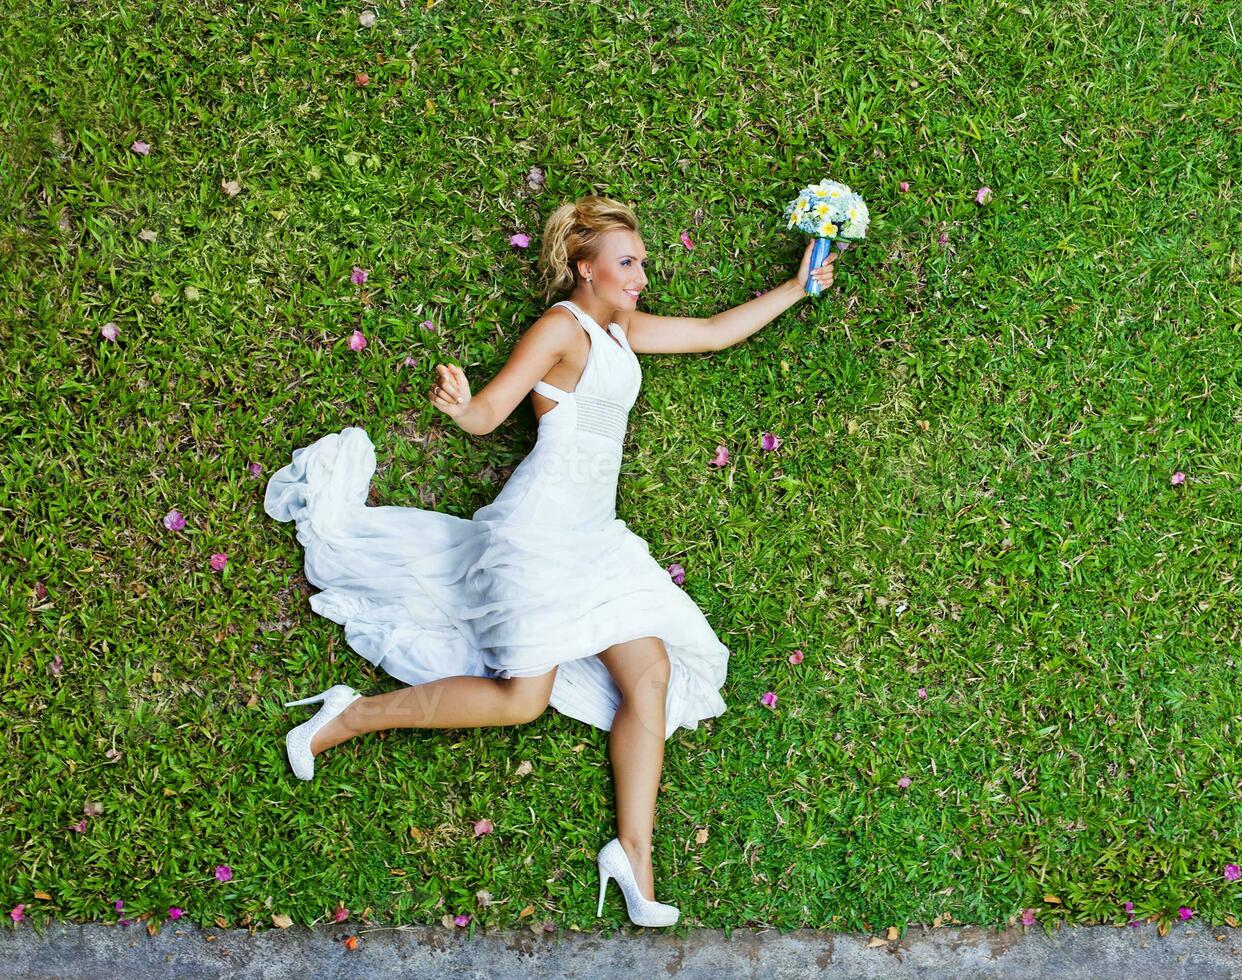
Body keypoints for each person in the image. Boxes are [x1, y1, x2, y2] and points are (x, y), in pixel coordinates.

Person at [263, 194, 840, 927]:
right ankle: (347, 716)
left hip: (594, 537)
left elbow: (712, 334)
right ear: (584, 267)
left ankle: (633, 857)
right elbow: (487, 416)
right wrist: (459, 405)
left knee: (651, 673)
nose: (640, 275)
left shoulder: (619, 330)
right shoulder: (560, 330)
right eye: (627, 263)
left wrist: (797, 286)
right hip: (538, 537)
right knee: (520, 700)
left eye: (642, 262)